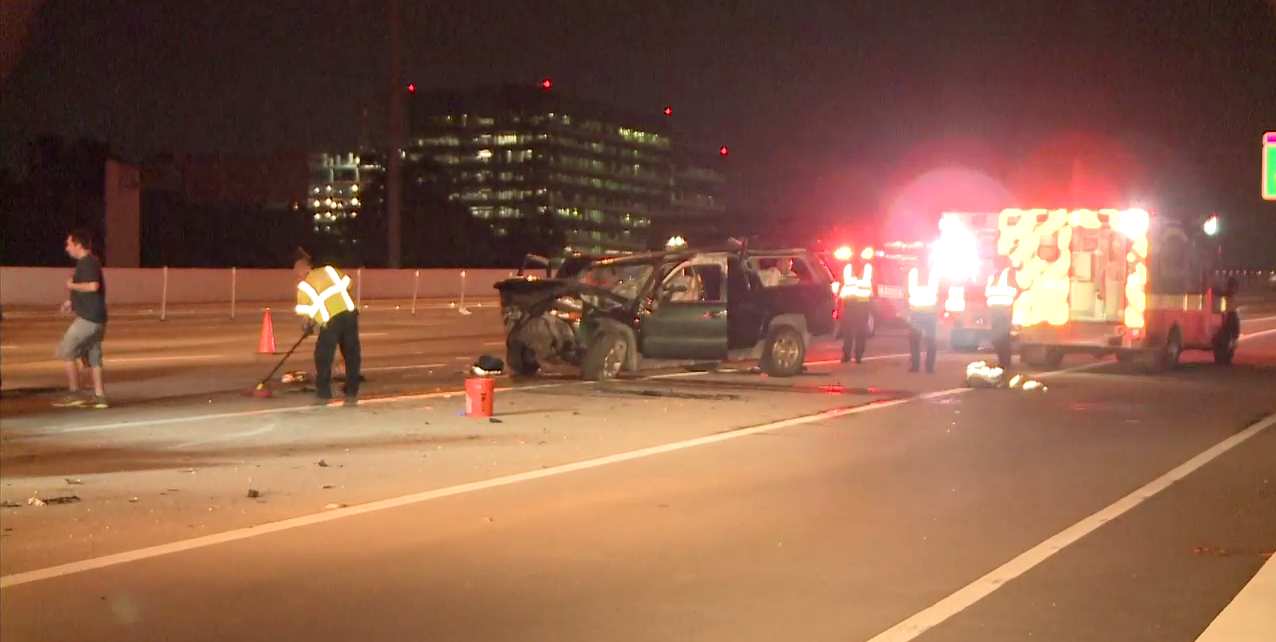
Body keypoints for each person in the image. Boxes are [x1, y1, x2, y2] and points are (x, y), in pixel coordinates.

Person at [293, 250, 362, 406]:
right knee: (352, 354)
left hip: (331, 322)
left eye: (297, 272)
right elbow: (349, 283)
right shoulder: (330, 270)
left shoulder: (304, 286)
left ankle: (324, 391)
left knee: (323, 356)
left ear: (304, 271)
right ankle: (352, 389)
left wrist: (306, 328)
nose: (297, 276)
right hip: (350, 315)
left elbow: (304, 314)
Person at [53, 229, 109, 408]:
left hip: (88, 319)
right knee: (94, 357)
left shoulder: (87, 263)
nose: (66, 247)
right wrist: (71, 301)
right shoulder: (90, 263)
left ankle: (74, 393)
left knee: (67, 350)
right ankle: (100, 397)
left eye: (69, 244)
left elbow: (93, 286)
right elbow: (91, 292)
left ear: (78, 245)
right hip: (97, 319)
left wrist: (72, 285)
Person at [906, 255, 940, 373]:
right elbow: (937, 290)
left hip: (916, 310)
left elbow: (909, 290)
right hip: (930, 310)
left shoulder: (913, 272)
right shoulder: (934, 272)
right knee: (930, 339)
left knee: (915, 340)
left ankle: (915, 366)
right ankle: (929, 367)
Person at [840, 253, 875, 363]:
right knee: (848, 331)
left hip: (861, 303)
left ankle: (858, 355)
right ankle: (848, 354)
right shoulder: (847, 268)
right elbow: (844, 284)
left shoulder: (868, 269)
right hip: (850, 303)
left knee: (860, 331)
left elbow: (870, 284)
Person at [985, 255, 1018, 369]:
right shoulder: (993, 276)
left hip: (1005, 310)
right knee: (996, 339)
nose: (996, 264)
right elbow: (988, 292)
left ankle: (1006, 363)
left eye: (998, 262)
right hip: (995, 310)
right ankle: (1003, 362)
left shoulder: (1009, 274)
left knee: (1003, 338)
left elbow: (1015, 289)